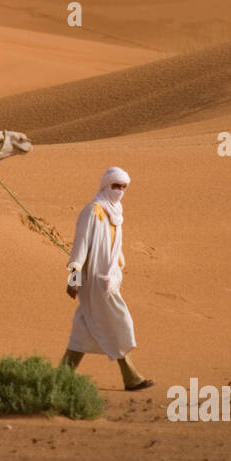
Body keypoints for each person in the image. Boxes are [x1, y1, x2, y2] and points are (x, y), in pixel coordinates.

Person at [60, 166, 153, 390]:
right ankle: (131, 376)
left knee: (86, 325)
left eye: (123, 187)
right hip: (93, 279)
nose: (119, 190)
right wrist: (74, 275)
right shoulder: (93, 210)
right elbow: (81, 244)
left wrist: (118, 264)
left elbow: (113, 246)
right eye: (116, 186)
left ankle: (62, 376)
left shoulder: (116, 213)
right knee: (118, 323)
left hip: (109, 279)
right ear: (105, 185)